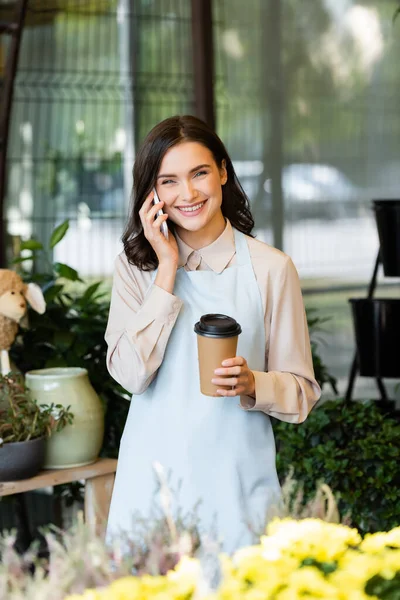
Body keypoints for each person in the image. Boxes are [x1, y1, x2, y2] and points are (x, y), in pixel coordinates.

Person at [105, 115, 321, 553]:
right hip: (151, 482)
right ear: (152, 193)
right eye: (169, 181)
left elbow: (301, 392)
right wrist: (166, 268)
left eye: (199, 173)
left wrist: (252, 383)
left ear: (223, 171)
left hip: (237, 485)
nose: (187, 194)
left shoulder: (271, 268)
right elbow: (130, 376)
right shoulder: (135, 268)